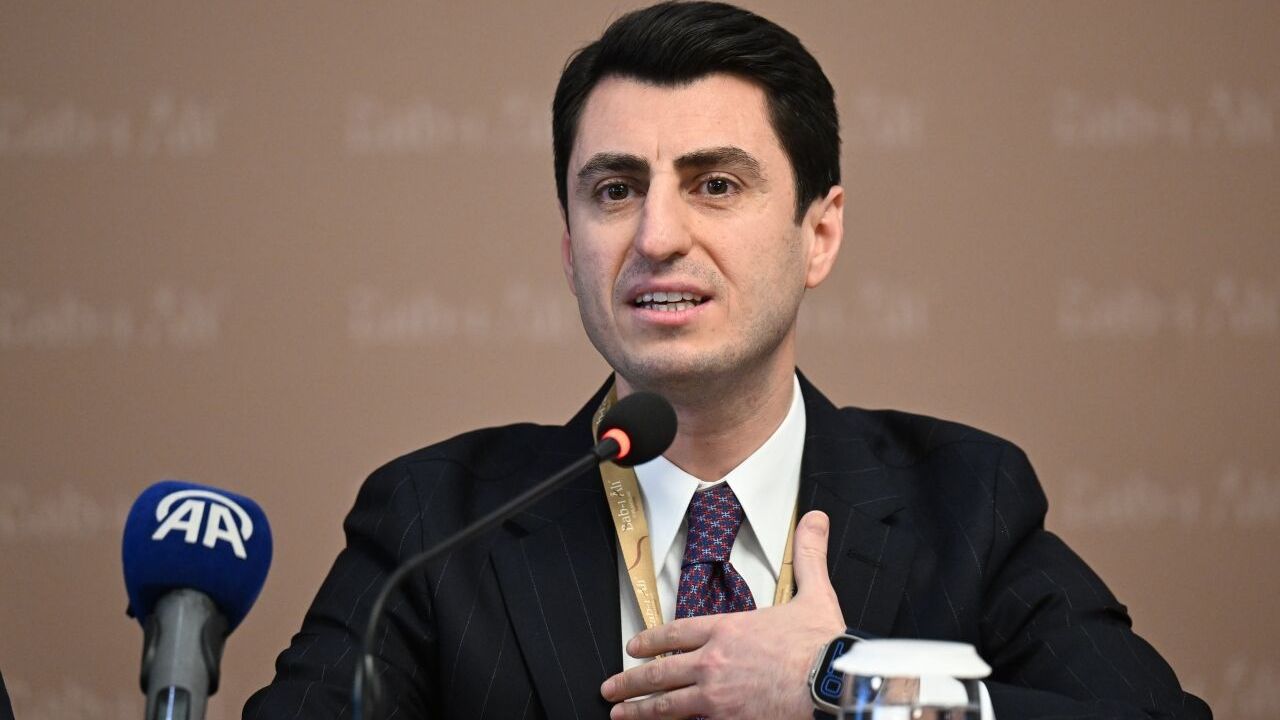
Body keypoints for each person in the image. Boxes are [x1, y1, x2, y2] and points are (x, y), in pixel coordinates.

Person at [245, 3, 1211, 718]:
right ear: (569, 245)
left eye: (715, 184)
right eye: (615, 190)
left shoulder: (964, 501)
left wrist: (846, 684)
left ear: (819, 234)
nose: (657, 236)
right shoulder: (436, 524)